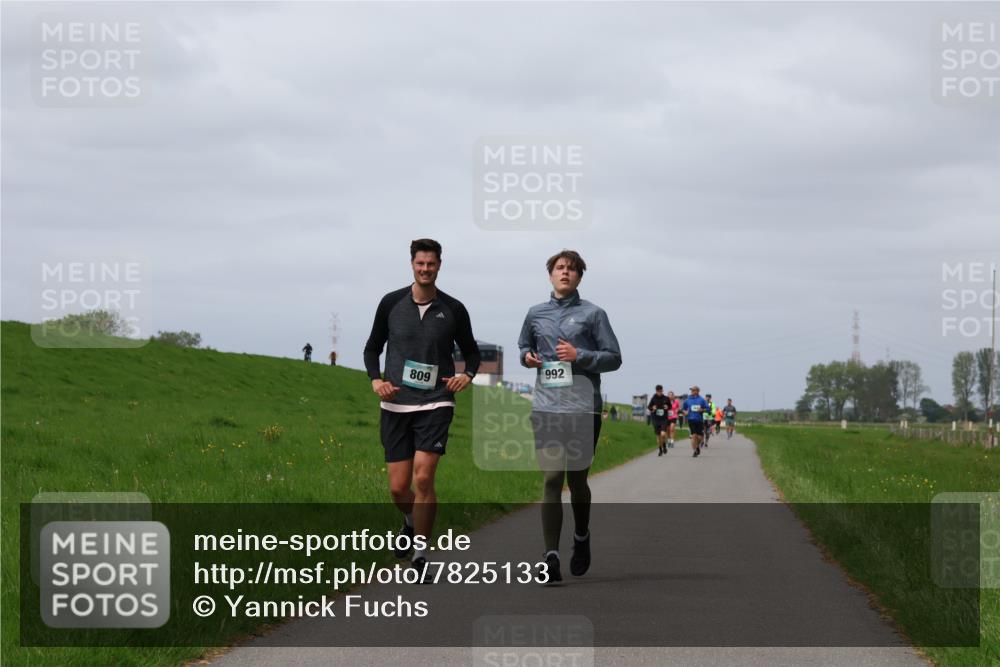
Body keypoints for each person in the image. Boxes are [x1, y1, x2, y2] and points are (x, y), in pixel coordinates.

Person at [363, 238, 480, 579]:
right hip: (396, 404)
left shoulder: (454, 309)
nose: (425, 269)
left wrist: (467, 375)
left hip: (436, 401)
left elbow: (472, 352)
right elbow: (372, 348)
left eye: (431, 263)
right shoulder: (390, 303)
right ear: (412, 264)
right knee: (399, 489)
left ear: (439, 265)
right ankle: (409, 520)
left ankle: (420, 555)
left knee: (424, 477)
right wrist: (375, 380)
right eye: (420, 263)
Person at [518, 250, 622, 584]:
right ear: (551, 274)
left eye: (572, 269)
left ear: (579, 277)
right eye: (560, 268)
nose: (565, 272)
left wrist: (581, 355)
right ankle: (550, 556)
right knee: (551, 479)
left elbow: (614, 358)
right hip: (546, 407)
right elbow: (523, 347)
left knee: (577, 482)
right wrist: (528, 357)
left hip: (583, 408)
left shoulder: (594, 314)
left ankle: (581, 535)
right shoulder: (535, 313)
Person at [682, 385, 710, 457]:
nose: (692, 391)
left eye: (694, 390)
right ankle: (695, 450)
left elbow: (708, 409)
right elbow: (683, 409)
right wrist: (685, 412)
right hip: (691, 419)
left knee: (699, 437)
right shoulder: (687, 400)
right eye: (691, 390)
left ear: (698, 391)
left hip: (699, 420)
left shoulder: (702, 400)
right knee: (694, 436)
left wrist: (702, 410)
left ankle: (697, 446)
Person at [648, 385, 670, 456]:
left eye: (661, 391)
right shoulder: (653, 398)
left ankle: (664, 445)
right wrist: (652, 408)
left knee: (663, 434)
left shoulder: (666, 398)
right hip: (655, 419)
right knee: (658, 436)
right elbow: (649, 407)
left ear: (662, 390)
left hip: (664, 419)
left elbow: (670, 406)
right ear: (656, 391)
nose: (659, 393)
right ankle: (660, 449)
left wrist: (667, 407)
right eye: (658, 391)